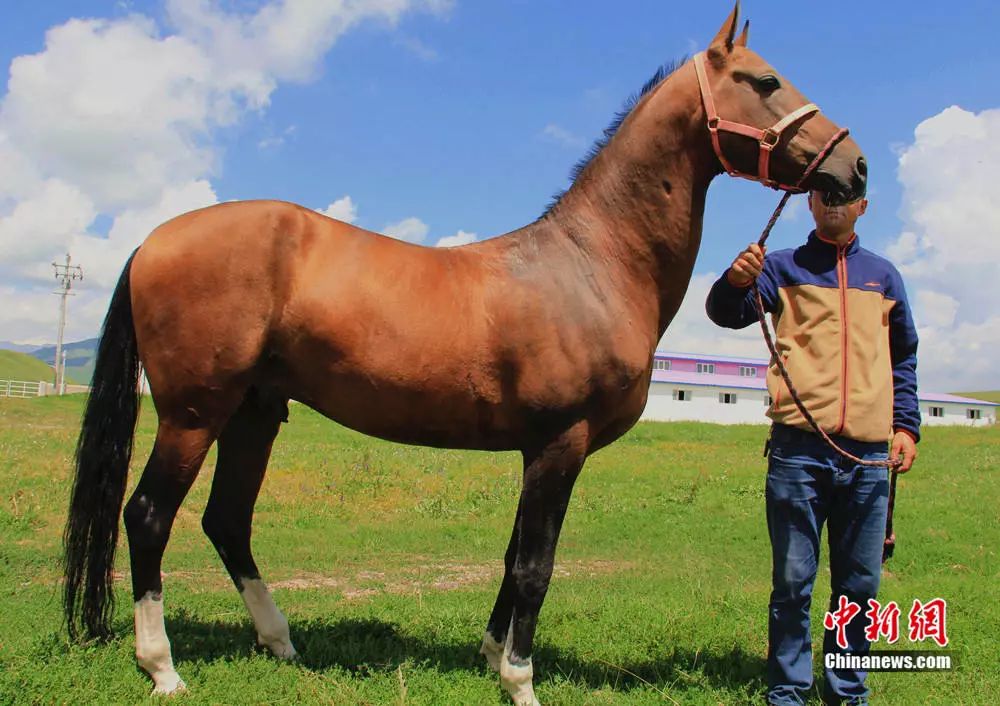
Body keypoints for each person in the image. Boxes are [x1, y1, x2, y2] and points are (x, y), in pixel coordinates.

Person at [705, 190, 920, 706]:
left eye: (845, 198)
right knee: (794, 580)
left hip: (868, 456)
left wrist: (906, 426)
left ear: (864, 206)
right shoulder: (781, 267)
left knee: (860, 586)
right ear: (812, 203)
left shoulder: (884, 277)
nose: (834, 204)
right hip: (797, 451)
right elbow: (726, 312)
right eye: (825, 195)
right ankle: (788, 690)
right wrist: (734, 280)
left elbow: (903, 359)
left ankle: (847, 690)